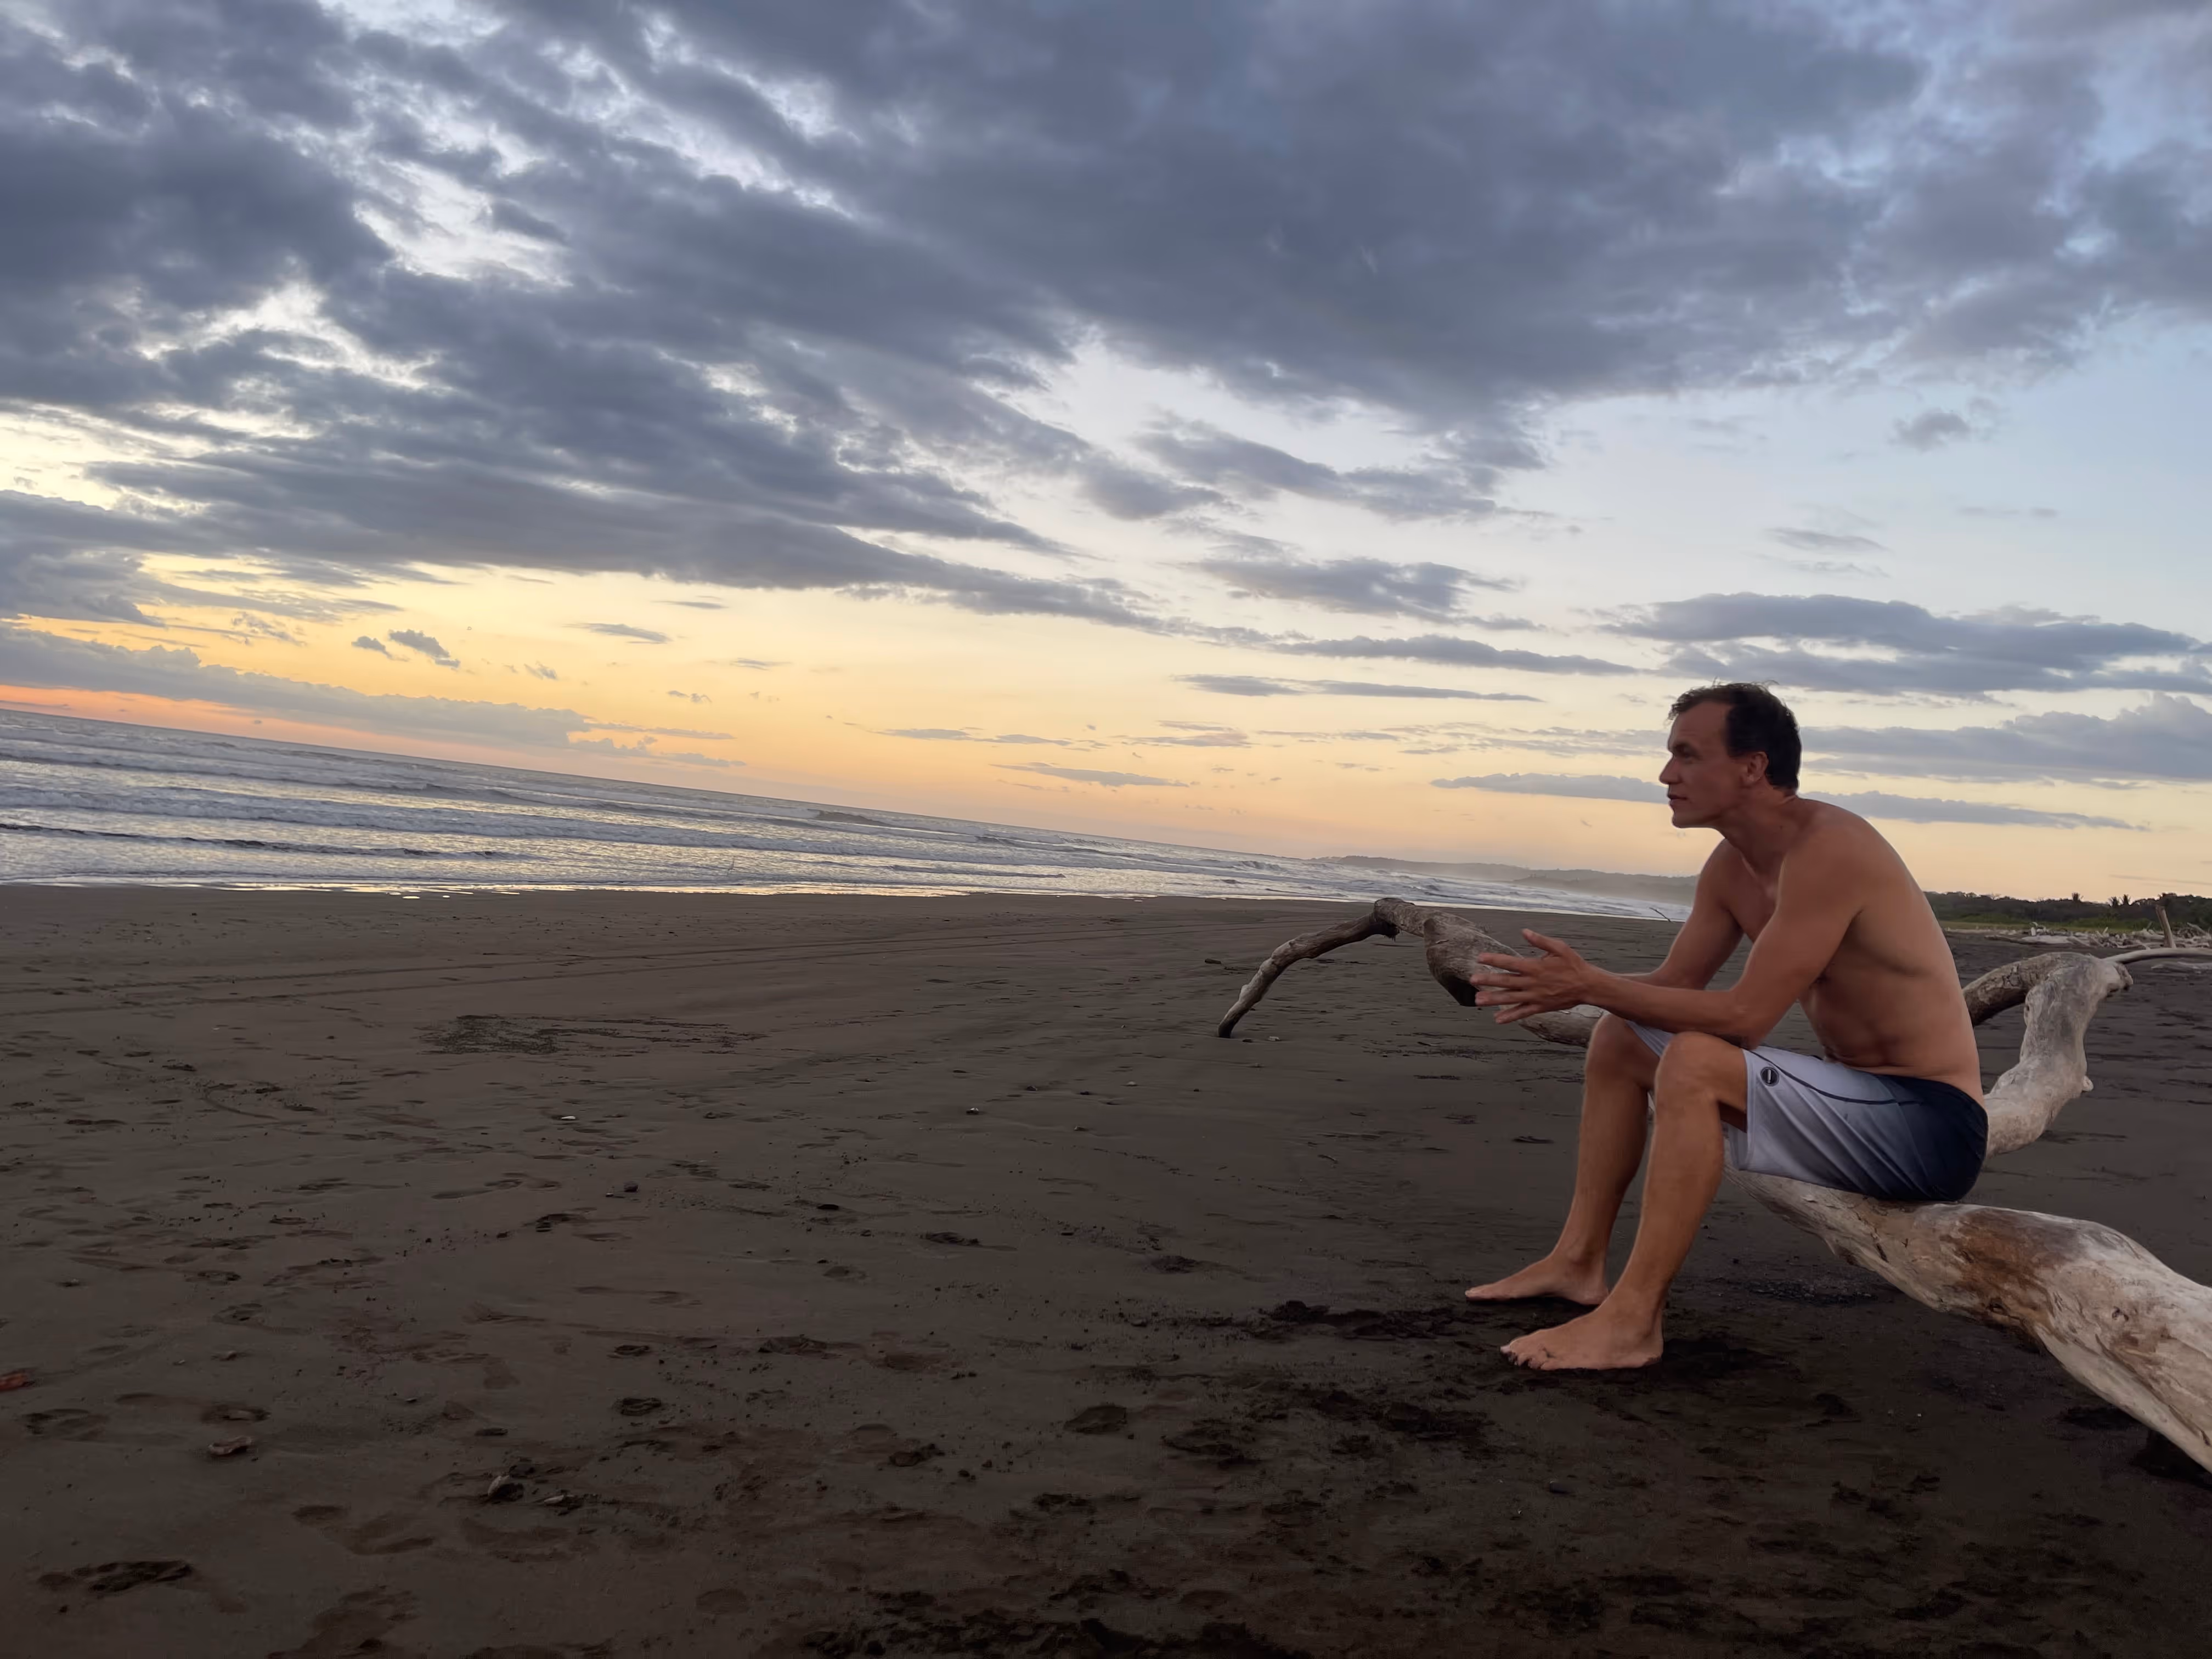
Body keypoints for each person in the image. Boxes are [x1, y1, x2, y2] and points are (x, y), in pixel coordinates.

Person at [1461, 682, 1986, 1372]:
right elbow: (1674, 989)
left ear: (1752, 767)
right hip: (1854, 1097)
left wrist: (1592, 984)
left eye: (1687, 754)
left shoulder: (1832, 849)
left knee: (1699, 1061)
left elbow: (1745, 1018)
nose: (1667, 775)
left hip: (1931, 1127)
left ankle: (1633, 1319)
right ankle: (1577, 1262)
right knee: (1619, 1039)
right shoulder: (1731, 868)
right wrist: (1563, 986)